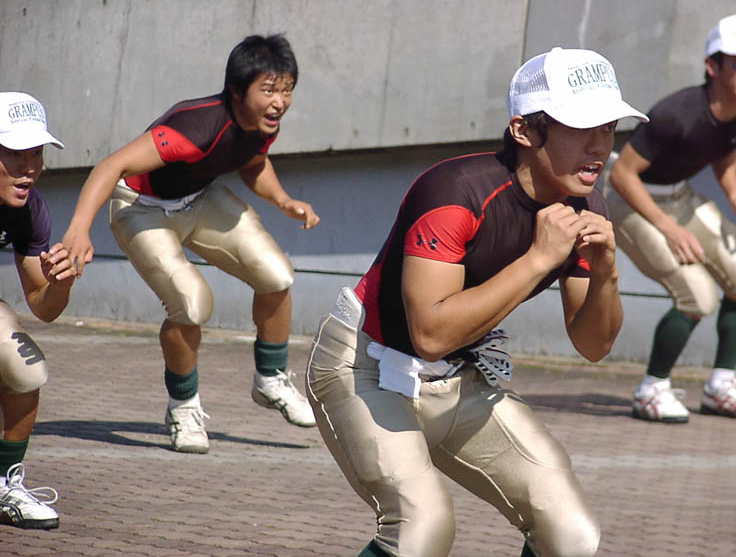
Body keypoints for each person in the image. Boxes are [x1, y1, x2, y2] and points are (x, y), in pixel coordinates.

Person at [305, 47, 647, 557]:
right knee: (422, 529)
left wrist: (606, 273)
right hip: (365, 367)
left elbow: (594, 346)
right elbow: (430, 335)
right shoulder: (454, 189)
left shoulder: (587, 203)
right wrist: (537, 260)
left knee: (572, 534)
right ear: (524, 130)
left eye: (609, 126)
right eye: (581, 127)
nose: (599, 145)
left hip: (459, 377)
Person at [62, 34, 320, 455]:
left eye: (287, 90)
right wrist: (79, 227)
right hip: (141, 207)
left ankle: (271, 378)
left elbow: (253, 161)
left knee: (276, 276)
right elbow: (113, 164)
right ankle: (183, 407)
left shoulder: (260, 123)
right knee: (192, 304)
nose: (280, 102)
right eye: (269, 90)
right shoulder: (195, 127)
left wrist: (283, 200)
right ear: (237, 91)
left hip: (198, 199)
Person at [605, 13, 736, 423]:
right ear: (712, 66)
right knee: (698, 297)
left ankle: (720, 387)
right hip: (631, 201)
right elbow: (622, 175)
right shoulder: (675, 113)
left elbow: (725, 149)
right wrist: (669, 229)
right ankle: (651, 390)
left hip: (679, 196)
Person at [0, 92, 77, 529]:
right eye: (14, 153)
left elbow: (42, 306)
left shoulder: (31, 210)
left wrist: (60, 285)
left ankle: (3, 482)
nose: (29, 167)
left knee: (26, 368)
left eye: (36, 153)